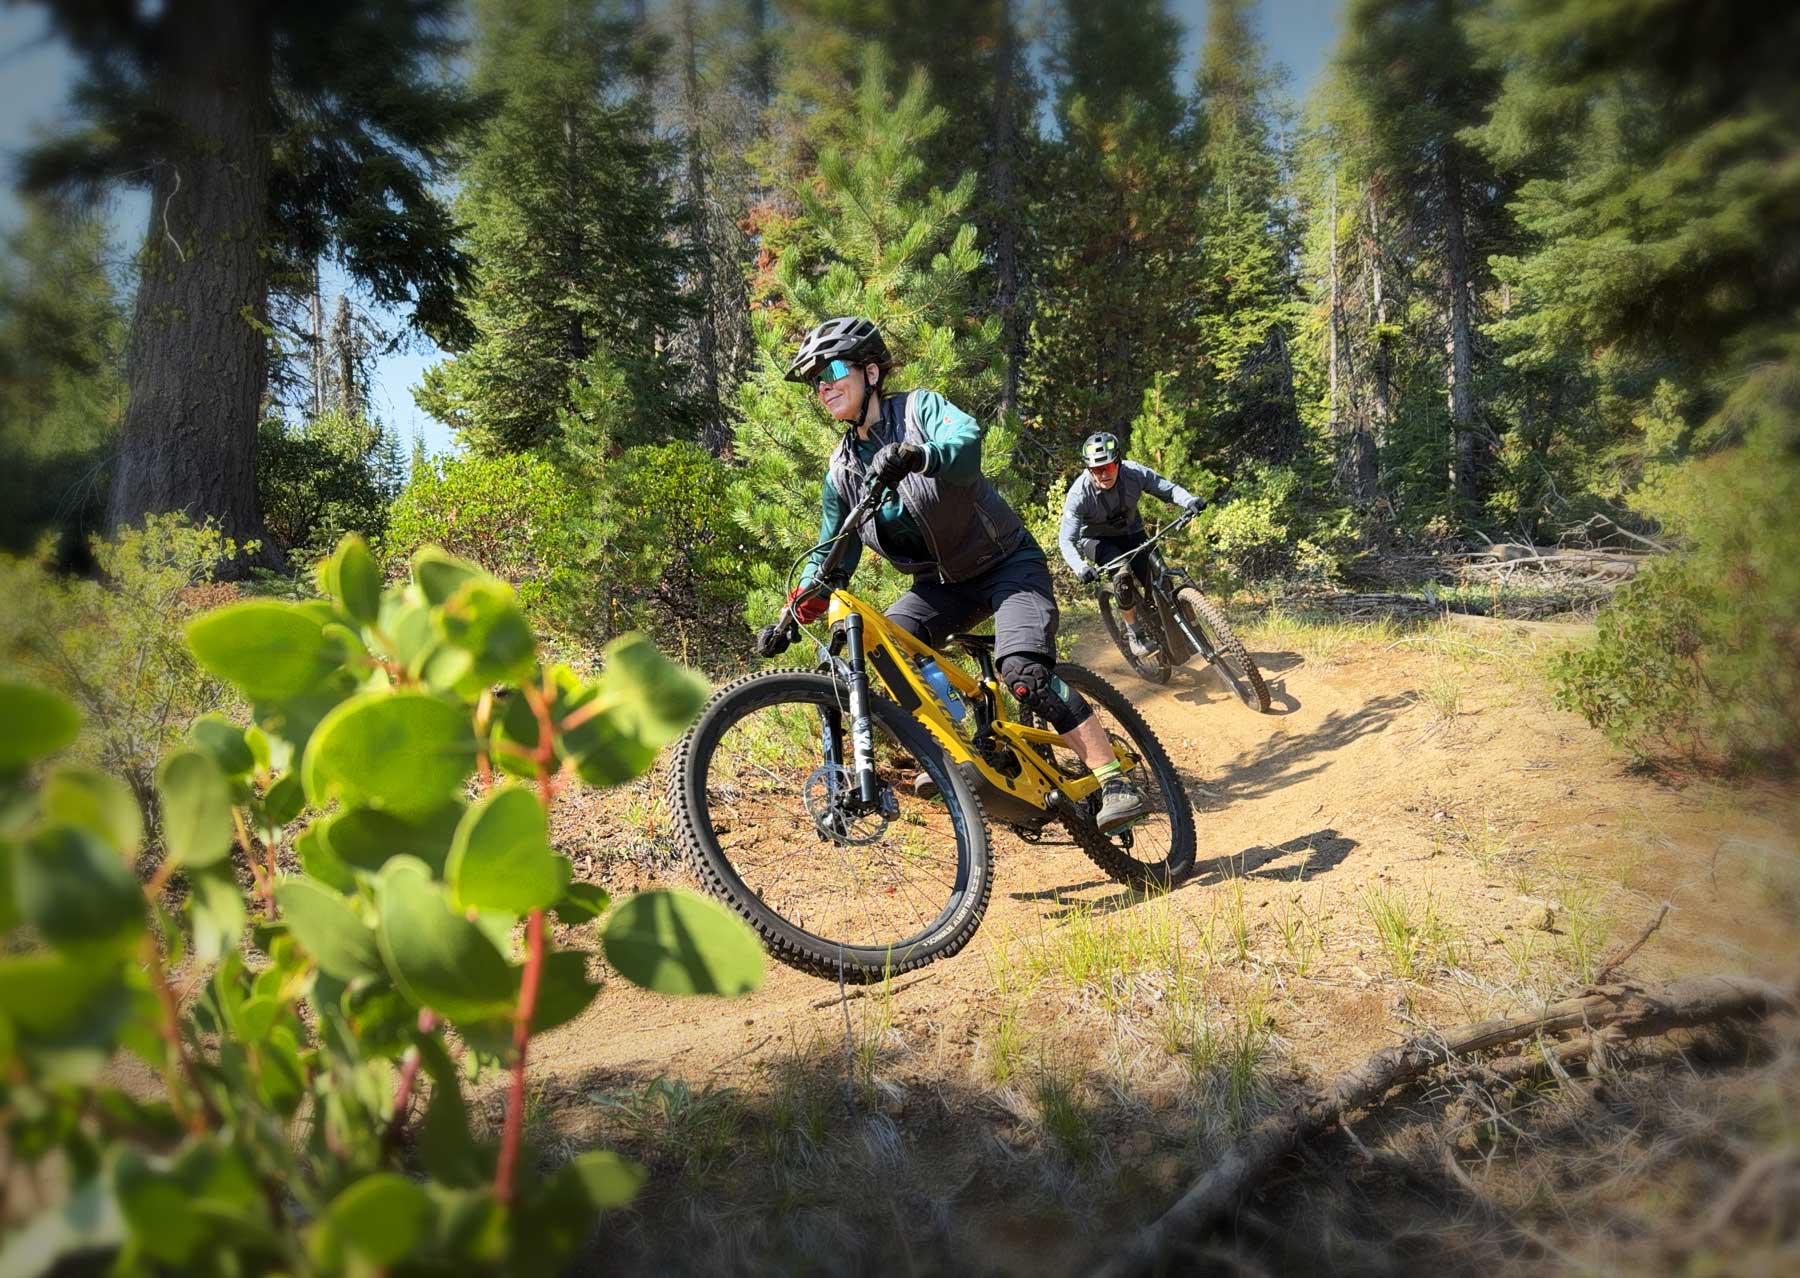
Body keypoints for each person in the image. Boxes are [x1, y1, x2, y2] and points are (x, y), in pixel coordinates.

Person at [771, 316, 1147, 833]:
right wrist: (798, 607)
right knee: (887, 647)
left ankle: (1114, 778)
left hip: (1007, 565)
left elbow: (966, 445)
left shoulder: (920, 411)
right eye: (817, 380)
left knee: (1024, 674)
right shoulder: (842, 472)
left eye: (834, 369)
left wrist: (921, 455)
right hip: (940, 588)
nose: (825, 385)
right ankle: (962, 754)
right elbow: (832, 551)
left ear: (872, 372)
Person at [1057, 432, 1204, 659]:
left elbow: (1168, 489)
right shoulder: (1079, 494)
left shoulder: (1134, 473)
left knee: (1161, 576)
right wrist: (1080, 567)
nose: (1103, 473)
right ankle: (1134, 631)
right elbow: (1066, 539)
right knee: (1122, 574)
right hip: (1097, 541)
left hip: (1132, 532)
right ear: (1088, 469)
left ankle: (1184, 629)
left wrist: (1189, 501)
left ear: (1118, 462)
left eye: (1108, 466)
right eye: (1096, 469)